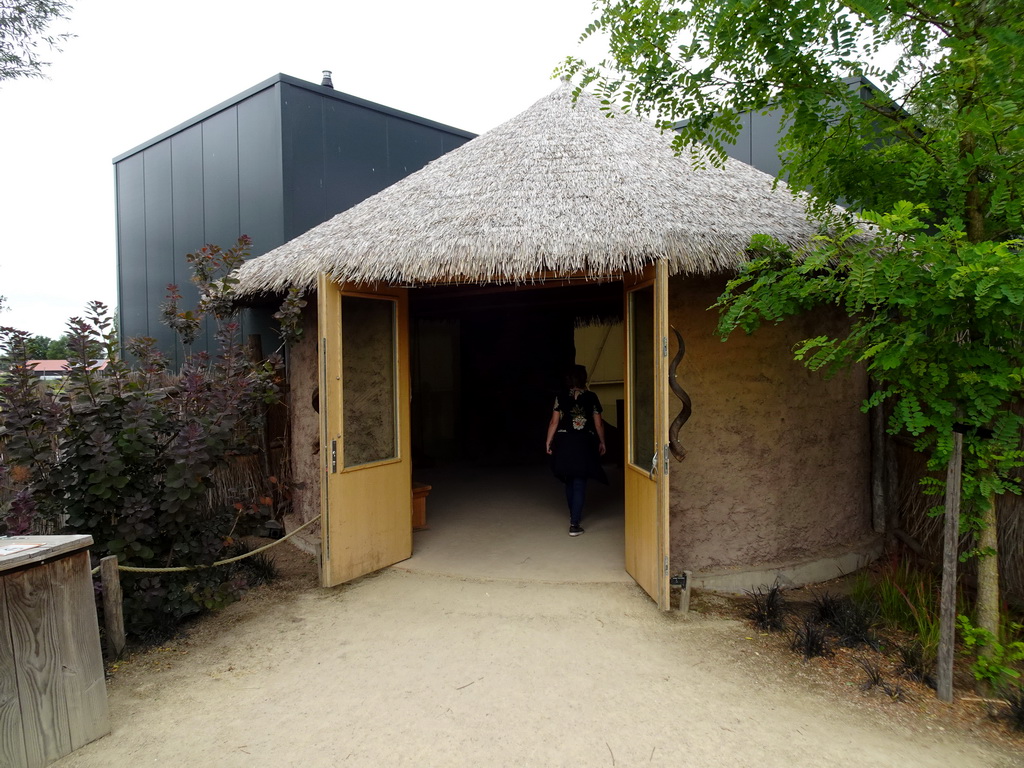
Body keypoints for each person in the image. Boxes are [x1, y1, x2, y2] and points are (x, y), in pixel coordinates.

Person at [545, 365, 607, 536]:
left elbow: (554, 422)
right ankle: (574, 523)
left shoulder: (560, 397)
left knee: (569, 479)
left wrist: (548, 441)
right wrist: (602, 442)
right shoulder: (591, 397)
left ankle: (573, 516)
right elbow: (598, 423)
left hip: (564, 441)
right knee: (579, 481)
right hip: (584, 442)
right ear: (583, 378)